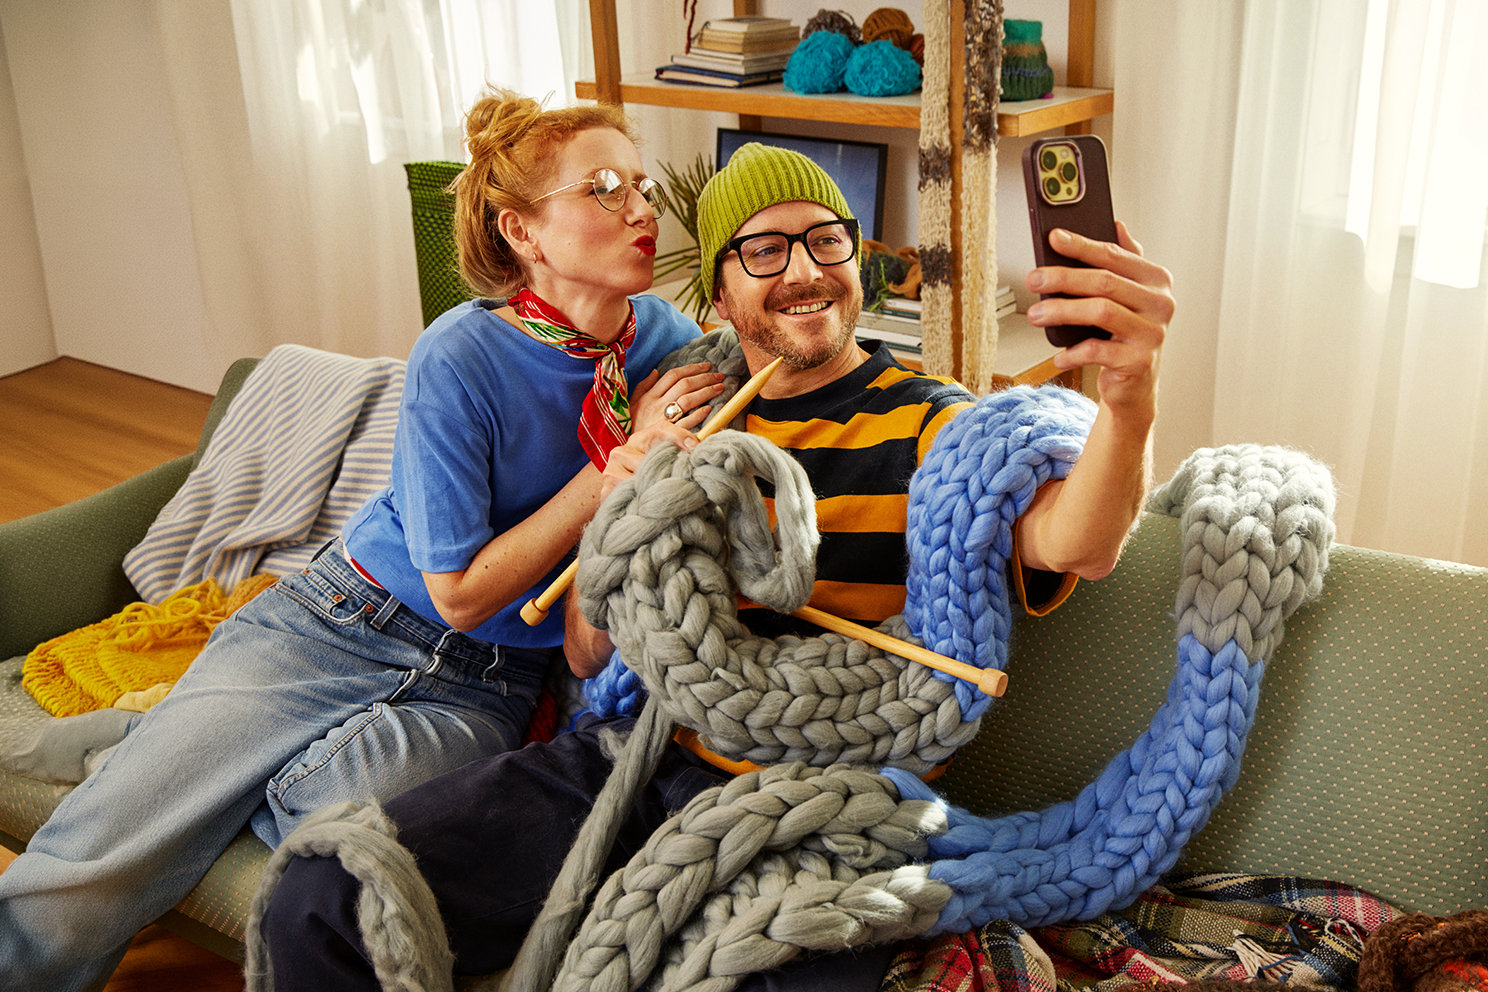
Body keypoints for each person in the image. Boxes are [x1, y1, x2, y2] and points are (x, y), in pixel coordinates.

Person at [257, 142, 1173, 991]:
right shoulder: (687, 420)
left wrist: (1127, 395)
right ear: (718, 300)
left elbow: (1078, 544)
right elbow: (582, 654)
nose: (805, 270)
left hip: (825, 810)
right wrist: (626, 497)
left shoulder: (937, 426)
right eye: (763, 251)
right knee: (325, 898)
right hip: (629, 761)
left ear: (859, 264)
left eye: (826, 239)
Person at [0, 88, 720, 992]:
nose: (642, 209)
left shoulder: (666, 341)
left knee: (330, 825)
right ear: (524, 233)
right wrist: (611, 466)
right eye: (604, 188)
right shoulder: (460, 355)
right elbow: (457, 589)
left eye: (642, 185)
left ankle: (155, 752)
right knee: (103, 854)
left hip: (488, 686)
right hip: (342, 623)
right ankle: (146, 775)